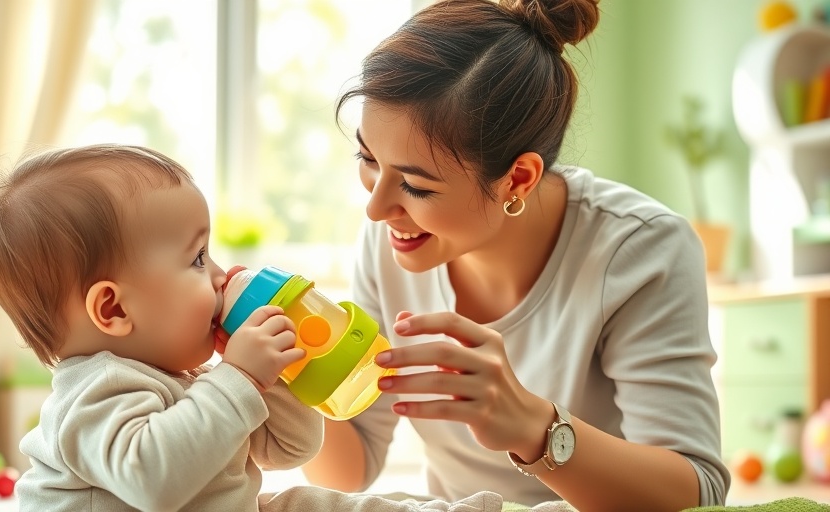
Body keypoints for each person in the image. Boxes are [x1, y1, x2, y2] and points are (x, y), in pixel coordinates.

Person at [302, 1, 731, 511]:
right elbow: (351, 469)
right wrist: (287, 378)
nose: (376, 209)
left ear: (518, 179)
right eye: (368, 158)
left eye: (416, 186)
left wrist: (534, 427)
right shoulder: (393, 240)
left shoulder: (640, 251)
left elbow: (698, 494)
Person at [0, 144, 511, 512]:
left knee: (312, 504)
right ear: (114, 310)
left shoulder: (192, 382)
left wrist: (277, 376)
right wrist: (239, 379)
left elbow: (290, 449)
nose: (221, 276)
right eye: (197, 259)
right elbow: (153, 479)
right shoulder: (95, 392)